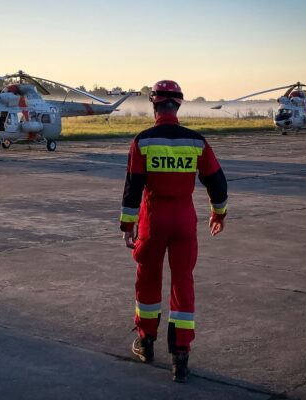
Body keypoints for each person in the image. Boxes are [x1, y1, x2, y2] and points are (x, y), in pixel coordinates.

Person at [119, 80, 228, 383]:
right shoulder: (197, 142)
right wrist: (219, 213)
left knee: (148, 279)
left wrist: (127, 225)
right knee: (183, 282)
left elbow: (133, 187)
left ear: (154, 105)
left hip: (153, 220)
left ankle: (146, 342)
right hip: (184, 219)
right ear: (178, 105)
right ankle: (181, 357)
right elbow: (217, 182)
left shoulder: (142, 141)